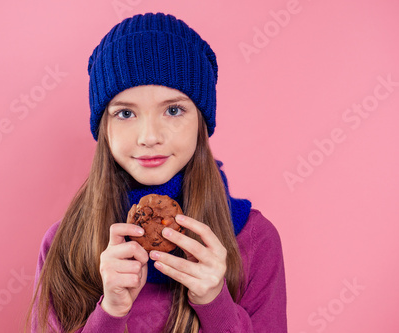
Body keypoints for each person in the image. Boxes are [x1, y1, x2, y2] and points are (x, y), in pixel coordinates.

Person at [27, 12, 287, 333]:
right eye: (125, 113)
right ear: (104, 127)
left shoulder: (255, 240)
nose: (149, 136)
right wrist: (110, 312)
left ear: (201, 122)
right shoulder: (63, 244)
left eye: (173, 109)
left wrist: (214, 303)